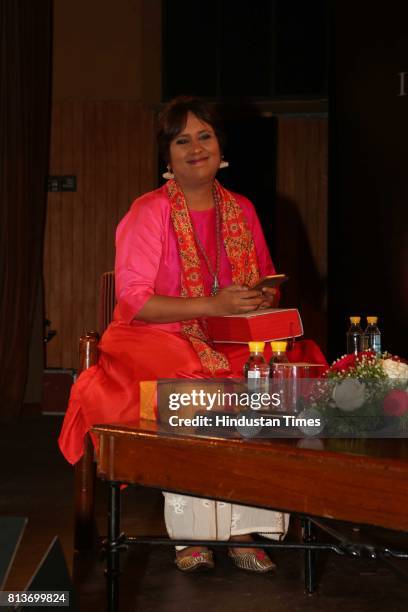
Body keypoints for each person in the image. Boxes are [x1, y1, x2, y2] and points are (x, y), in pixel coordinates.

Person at [59, 96, 327, 573]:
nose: (196, 147)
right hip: (155, 334)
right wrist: (214, 305)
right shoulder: (149, 211)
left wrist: (257, 299)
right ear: (168, 156)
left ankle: (246, 526)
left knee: (274, 371)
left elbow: (266, 281)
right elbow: (135, 302)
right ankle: (192, 534)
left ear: (221, 146)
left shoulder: (242, 209)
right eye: (183, 139)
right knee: (192, 379)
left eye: (205, 135)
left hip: (229, 333)